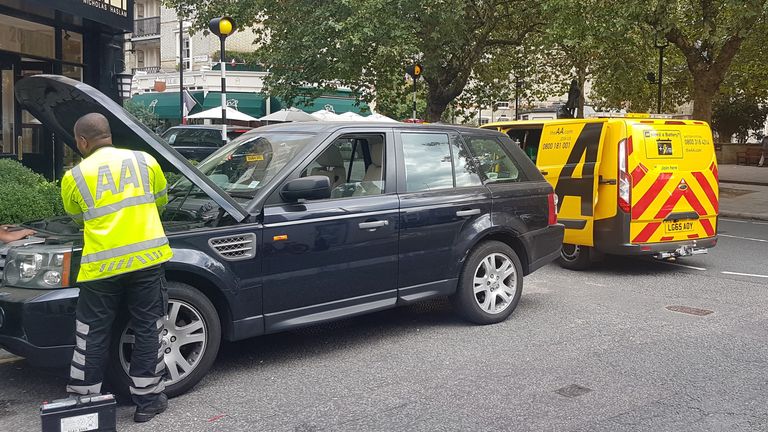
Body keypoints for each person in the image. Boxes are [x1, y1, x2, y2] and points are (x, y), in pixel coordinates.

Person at [60, 113, 173, 423]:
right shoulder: (145, 161)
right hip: (147, 261)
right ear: (108, 135)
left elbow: (77, 217)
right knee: (148, 328)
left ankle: (85, 406)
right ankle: (148, 401)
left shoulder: (75, 176)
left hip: (101, 269)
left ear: (82, 141)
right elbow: (160, 201)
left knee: (91, 333)